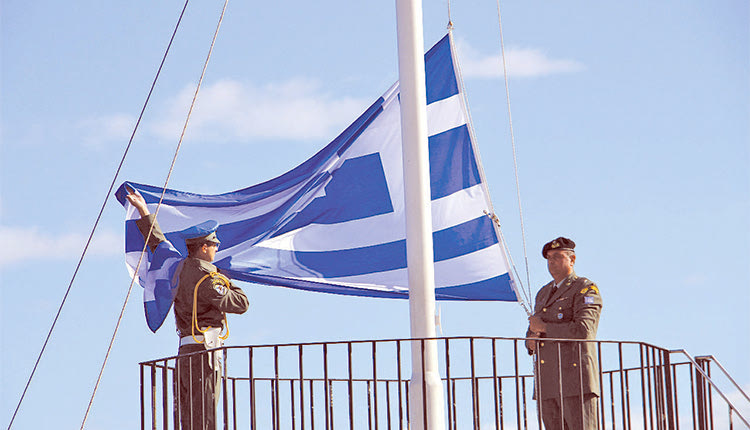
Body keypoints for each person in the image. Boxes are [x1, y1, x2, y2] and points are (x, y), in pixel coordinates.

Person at [126, 188, 249, 430]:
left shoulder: (176, 267)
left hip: (185, 352)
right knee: (204, 412)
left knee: (187, 412)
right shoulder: (208, 279)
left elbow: (158, 243)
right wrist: (223, 277)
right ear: (203, 248)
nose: (217, 246)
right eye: (214, 243)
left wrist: (143, 211)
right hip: (204, 351)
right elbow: (241, 303)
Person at [525, 237, 603, 430]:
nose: (551, 262)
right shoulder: (543, 293)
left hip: (575, 379)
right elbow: (534, 330)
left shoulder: (584, 288)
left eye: (558, 257)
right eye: (549, 258)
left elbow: (585, 330)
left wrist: (544, 329)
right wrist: (530, 340)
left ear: (572, 259)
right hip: (548, 381)